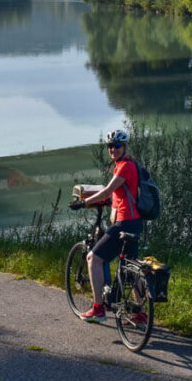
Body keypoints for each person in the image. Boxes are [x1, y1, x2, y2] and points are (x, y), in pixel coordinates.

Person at [69, 128, 146, 325]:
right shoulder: (130, 165)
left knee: (93, 257)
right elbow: (118, 193)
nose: (113, 149)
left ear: (125, 146)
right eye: (110, 146)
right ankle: (141, 314)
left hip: (124, 223)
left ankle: (98, 309)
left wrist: (84, 203)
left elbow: (108, 191)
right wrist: (107, 201)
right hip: (135, 223)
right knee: (131, 265)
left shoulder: (124, 167)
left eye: (117, 146)